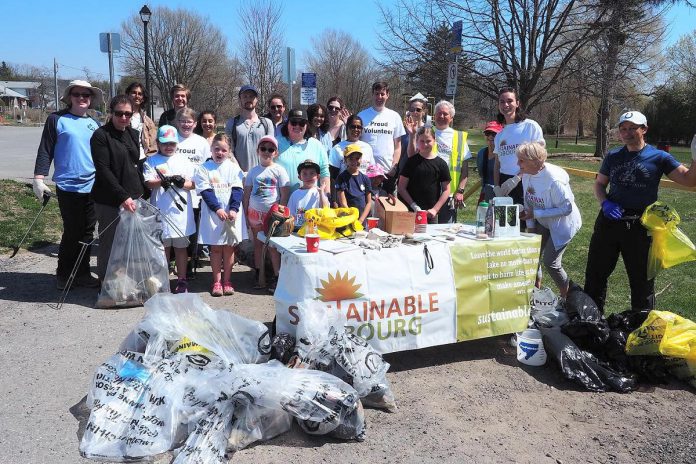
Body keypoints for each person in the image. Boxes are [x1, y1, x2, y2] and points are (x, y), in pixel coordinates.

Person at [584, 111, 696, 312]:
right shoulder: (613, 156)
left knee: (641, 280)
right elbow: (600, 184)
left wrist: (695, 157)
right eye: (623, 129)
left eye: (633, 128)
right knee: (595, 274)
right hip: (609, 220)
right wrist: (605, 203)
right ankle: (591, 323)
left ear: (644, 129)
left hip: (640, 225)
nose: (627, 133)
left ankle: (641, 329)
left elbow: (689, 180)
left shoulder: (659, 157)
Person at [33, 79, 103, 290]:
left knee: (88, 233)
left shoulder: (94, 123)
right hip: (68, 186)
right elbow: (45, 149)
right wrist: (39, 178)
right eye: (77, 94)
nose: (82, 98)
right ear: (70, 97)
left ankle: (82, 273)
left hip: (92, 185)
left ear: (91, 100)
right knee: (72, 231)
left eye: (86, 95)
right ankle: (63, 273)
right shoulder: (57, 119)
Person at [90, 95, 147, 282]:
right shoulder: (101, 136)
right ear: (111, 113)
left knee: (129, 243)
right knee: (110, 243)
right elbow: (103, 169)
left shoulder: (132, 133)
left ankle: (127, 282)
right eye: (119, 113)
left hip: (133, 197)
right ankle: (107, 285)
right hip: (110, 199)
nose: (123, 118)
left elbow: (134, 162)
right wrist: (122, 196)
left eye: (128, 114)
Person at [517, 142, 581, 298]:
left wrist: (536, 214)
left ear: (534, 161)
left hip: (563, 224)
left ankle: (568, 297)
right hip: (543, 220)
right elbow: (528, 202)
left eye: (521, 160)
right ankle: (535, 293)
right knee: (532, 256)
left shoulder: (554, 180)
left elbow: (567, 209)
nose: (518, 164)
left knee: (551, 262)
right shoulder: (526, 174)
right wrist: (531, 229)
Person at [143, 125, 196, 294]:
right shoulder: (151, 161)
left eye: (172, 143)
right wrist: (161, 182)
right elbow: (148, 182)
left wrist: (182, 183)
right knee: (162, 248)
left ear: (177, 144)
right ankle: (162, 280)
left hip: (180, 213)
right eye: (165, 143)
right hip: (160, 211)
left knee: (181, 248)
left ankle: (182, 280)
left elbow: (194, 184)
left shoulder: (184, 161)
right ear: (158, 143)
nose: (168, 147)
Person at [193, 134, 244, 297]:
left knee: (229, 249)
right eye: (217, 149)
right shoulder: (203, 168)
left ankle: (227, 281)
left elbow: (238, 189)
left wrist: (233, 209)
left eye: (224, 150)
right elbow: (206, 191)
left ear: (229, 151)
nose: (220, 153)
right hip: (213, 215)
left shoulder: (234, 168)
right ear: (211, 149)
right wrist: (217, 209)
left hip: (231, 215)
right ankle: (216, 281)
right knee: (215, 249)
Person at [407, 100, 471, 223]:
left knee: (446, 231)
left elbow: (464, 170)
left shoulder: (459, 137)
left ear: (451, 118)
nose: (441, 116)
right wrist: (412, 136)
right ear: (434, 115)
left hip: (449, 194)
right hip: (427, 192)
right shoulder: (426, 133)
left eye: (445, 114)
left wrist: (460, 191)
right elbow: (412, 157)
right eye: (438, 113)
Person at [243, 135, 290, 290]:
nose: (266, 152)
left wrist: (280, 214)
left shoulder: (279, 170)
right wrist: (245, 214)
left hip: (272, 215)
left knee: (272, 247)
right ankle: (259, 273)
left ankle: (277, 276)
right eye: (263, 148)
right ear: (258, 151)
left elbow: (284, 194)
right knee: (258, 245)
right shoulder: (253, 172)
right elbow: (247, 194)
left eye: (271, 149)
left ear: (275, 153)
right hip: (254, 213)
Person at [493, 87, 545, 208]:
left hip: (527, 180)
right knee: (505, 224)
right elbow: (497, 164)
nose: (506, 104)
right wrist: (496, 186)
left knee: (526, 222)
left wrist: (518, 178)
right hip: (505, 184)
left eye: (510, 101)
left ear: (517, 103)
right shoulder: (500, 135)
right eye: (502, 101)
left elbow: (540, 158)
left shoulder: (530, 126)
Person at [358, 81, 406, 195]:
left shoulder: (394, 116)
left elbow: (398, 146)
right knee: (365, 208)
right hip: (365, 171)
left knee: (385, 210)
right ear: (372, 94)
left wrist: (394, 166)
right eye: (376, 93)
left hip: (387, 172)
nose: (379, 97)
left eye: (382, 94)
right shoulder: (362, 115)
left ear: (387, 95)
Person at [398, 126, 451, 223]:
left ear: (434, 140)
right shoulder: (411, 162)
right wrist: (414, 206)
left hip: (430, 214)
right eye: (422, 141)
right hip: (410, 212)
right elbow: (401, 187)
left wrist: (435, 209)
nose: (425, 144)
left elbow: (446, 190)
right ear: (417, 141)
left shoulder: (441, 164)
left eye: (428, 141)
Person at [277, 109, 330, 195]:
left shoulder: (317, 145)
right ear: (287, 124)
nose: (297, 126)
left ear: (307, 125)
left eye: (301, 123)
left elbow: (324, 172)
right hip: (282, 202)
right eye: (294, 122)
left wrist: (326, 196)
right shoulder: (276, 143)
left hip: (310, 202)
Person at [224, 85, 273, 172]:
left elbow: (271, 151)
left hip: (262, 176)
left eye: (251, 96)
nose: (248, 99)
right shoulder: (231, 123)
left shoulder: (267, 123)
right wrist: (240, 172)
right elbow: (229, 151)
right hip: (238, 176)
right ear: (239, 100)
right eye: (245, 96)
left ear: (256, 99)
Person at [335, 144, 373, 225]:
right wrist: (351, 219)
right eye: (351, 158)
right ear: (345, 160)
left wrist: (361, 220)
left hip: (362, 221)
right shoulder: (341, 178)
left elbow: (369, 202)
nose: (354, 161)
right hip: (347, 219)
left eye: (357, 158)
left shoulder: (365, 178)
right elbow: (343, 202)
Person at [287, 159, 330, 230]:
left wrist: (321, 192)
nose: (308, 176)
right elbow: (290, 214)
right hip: (298, 230)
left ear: (318, 176)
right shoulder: (295, 194)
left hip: (316, 230)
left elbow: (325, 209)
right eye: (304, 173)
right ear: (299, 177)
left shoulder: (319, 192)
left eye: (312, 173)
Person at [125, 82, 157, 158]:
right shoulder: (119, 117)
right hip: (124, 160)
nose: (137, 96)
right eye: (134, 93)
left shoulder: (148, 121)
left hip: (142, 160)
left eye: (140, 94)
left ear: (143, 98)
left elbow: (153, 145)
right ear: (128, 95)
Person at [477, 121, 504, 202]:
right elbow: (481, 174)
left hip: (502, 194)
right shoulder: (481, 153)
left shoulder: (504, 154)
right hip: (485, 193)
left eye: (494, 134)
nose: (490, 136)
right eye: (488, 133)